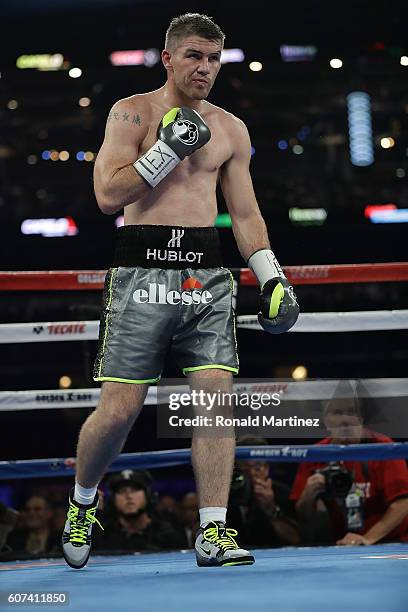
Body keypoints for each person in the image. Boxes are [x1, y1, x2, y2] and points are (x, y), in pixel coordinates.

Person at [62, 12, 299, 569]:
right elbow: (106, 195)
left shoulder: (232, 129)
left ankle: (213, 531)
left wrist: (271, 275)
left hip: (206, 275)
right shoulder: (133, 112)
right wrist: (164, 150)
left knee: (216, 400)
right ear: (168, 58)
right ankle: (82, 500)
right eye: (195, 56)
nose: (205, 68)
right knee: (120, 409)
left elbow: (243, 212)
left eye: (214, 59)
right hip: (140, 270)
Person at [290, 399, 408, 546]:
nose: (345, 419)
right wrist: (308, 494)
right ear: (326, 421)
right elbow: (303, 516)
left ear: (361, 419)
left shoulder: (383, 447)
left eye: (351, 412)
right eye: (337, 413)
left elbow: (403, 503)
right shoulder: (316, 454)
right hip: (342, 545)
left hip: (390, 542)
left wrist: (368, 539)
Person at [228, 437, 300, 547]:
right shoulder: (224, 494)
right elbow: (199, 534)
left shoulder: (282, 493)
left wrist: (271, 509)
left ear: (266, 468)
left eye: (257, 467)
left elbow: (295, 539)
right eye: (244, 467)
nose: (251, 473)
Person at [93, 470, 184, 552]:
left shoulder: (168, 534)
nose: (128, 496)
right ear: (113, 500)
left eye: (135, 490)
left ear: (148, 495)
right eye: (121, 491)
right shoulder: (103, 535)